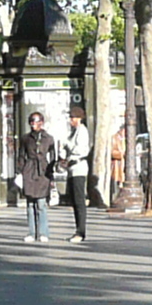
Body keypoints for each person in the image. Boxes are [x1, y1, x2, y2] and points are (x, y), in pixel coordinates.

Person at [13, 108, 59, 243]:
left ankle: (43, 232)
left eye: (36, 121)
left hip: (43, 171)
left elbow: (53, 157)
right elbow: (21, 155)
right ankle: (32, 232)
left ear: (42, 122)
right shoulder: (26, 138)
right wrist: (19, 171)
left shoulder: (49, 139)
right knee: (30, 204)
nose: (34, 123)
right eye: (31, 121)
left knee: (41, 203)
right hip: (29, 170)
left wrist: (51, 174)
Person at [60, 104, 95, 242]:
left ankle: (81, 232)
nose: (70, 120)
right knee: (74, 201)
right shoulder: (73, 132)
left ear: (78, 118)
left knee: (79, 201)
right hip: (72, 169)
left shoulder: (82, 131)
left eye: (73, 118)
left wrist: (67, 144)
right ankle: (77, 229)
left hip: (79, 167)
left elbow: (80, 150)